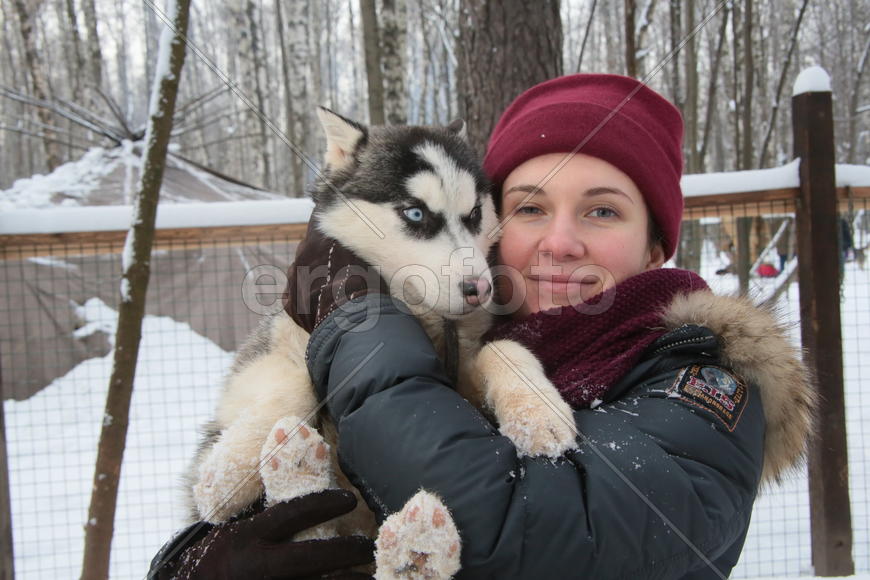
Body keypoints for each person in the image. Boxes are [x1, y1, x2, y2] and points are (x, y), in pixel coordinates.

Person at [151, 74, 815, 579]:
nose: (559, 242)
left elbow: (526, 526)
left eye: (603, 212)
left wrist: (357, 321)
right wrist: (194, 563)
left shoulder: (704, 380)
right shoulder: (461, 333)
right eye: (529, 208)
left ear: (654, 247)